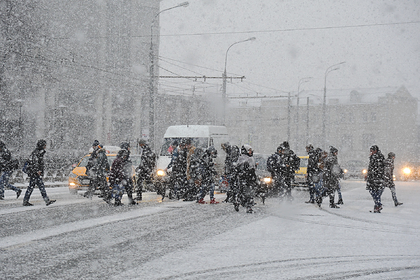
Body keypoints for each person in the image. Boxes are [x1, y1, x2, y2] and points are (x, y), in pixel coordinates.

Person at [22, 140, 56, 206]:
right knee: (38, 187)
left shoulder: (37, 152)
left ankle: (26, 201)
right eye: (44, 145)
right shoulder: (37, 153)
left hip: (34, 173)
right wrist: (37, 171)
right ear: (42, 145)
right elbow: (35, 163)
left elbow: (36, 163)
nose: (45, 146)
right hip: (35, 173)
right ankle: (46, 200)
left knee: (33, 187)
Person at [235, 144, 257, 213]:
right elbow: (239, 168)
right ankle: (238, 202)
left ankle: (249, 206)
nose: (251, 152)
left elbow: (253, 168)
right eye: (249, 150)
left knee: (250, 193)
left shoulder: (251, 158)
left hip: (250, 178)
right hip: (244, 178)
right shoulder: (242, 158)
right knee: (244, 192)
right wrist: (245, 168)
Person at [366, 145, 385, 213]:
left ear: (375, 151)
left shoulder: (375, 157)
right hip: (378, 178)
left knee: (373, 191)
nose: (370, 152)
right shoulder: (379, 157)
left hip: (375, 178)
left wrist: (372, 175)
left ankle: (378, 205)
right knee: (376, 192)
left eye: (371, 151)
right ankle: (377, 206)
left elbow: (375, 168)